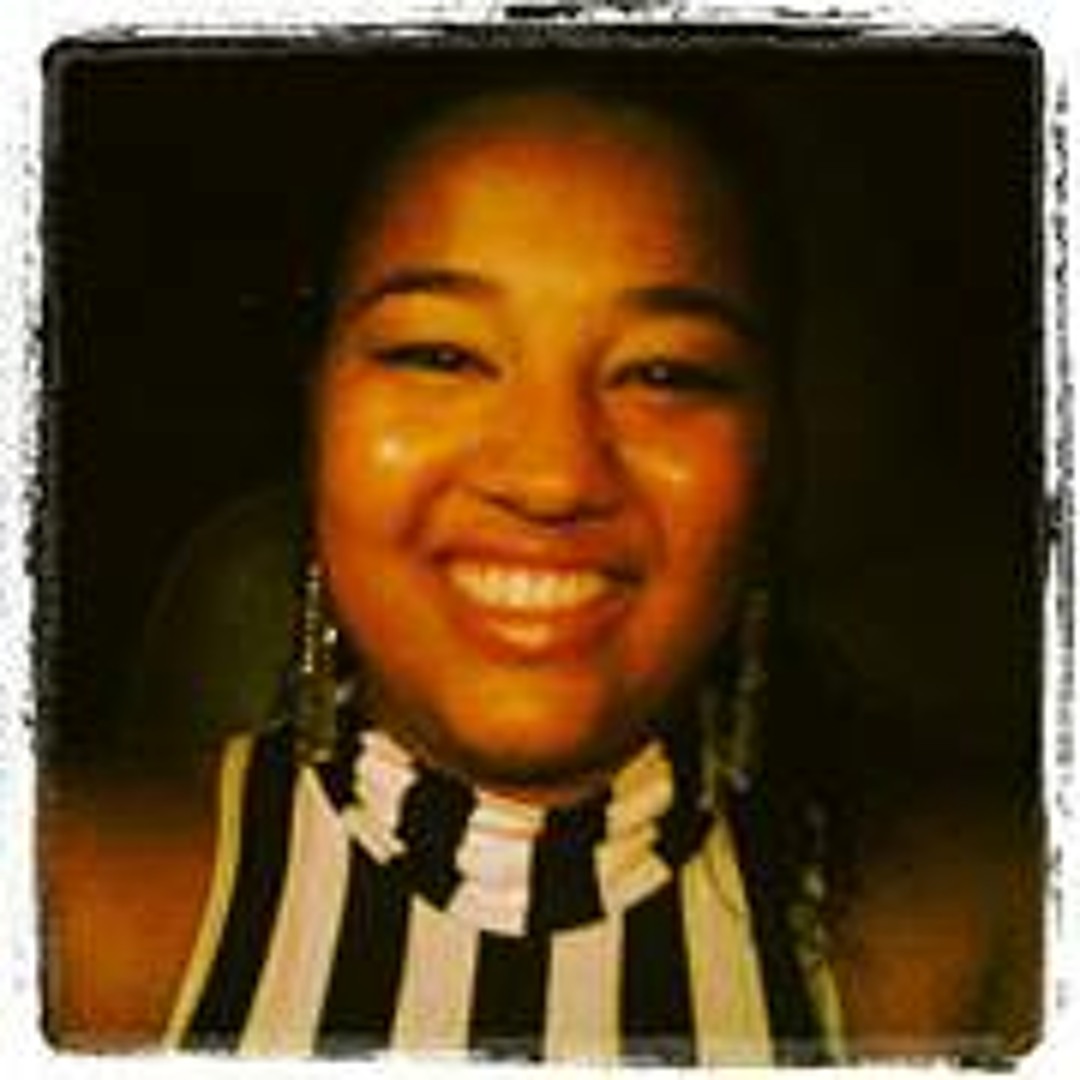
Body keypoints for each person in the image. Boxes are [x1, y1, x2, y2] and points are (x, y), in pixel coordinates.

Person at [43, 65, 1040, 1064]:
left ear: (776, 454)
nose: (552, 477)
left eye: (664, 373)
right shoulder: (63, 916)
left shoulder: (991, 940)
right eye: (441, 356)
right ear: (313, 410)